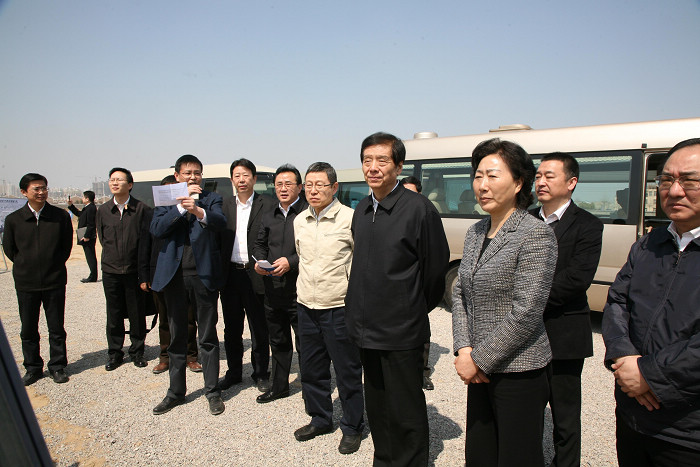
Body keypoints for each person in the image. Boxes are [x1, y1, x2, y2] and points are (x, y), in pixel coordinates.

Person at [345, 132, 449, 466]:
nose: (373, 167)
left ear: (399, 166)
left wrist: (410, 307)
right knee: (377, 406)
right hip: (366, 329)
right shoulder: (362, 209)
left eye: (382, 160)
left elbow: (434, 272)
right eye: (367, 160)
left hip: (402, 330)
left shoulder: (419, 209)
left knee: (405, 409)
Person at [452, 138, 557, 466]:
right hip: (477, 367)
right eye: (477, 176)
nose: (482, 185)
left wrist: (480, 359)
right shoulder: (475, 231)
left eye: (492, 176)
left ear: (519, 183)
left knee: (517, 456)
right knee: (480, 452)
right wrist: (464, 349)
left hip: (518, 369)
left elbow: (527, 311)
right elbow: (459, 292)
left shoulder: (535, 234)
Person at [602, 138, 700, 466]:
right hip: (633, 414)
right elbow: (617, 302)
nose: (674, 191)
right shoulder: (648, 244)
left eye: (690, 181)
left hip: (687, 430)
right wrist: (624, 357)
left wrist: (650, 375)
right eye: (666, 180)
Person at [530, 152, 603, 467]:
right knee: (526, 412)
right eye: (538, 176)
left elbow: (577, 279)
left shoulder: (588, 225)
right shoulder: (522, 220)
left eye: (549, 176)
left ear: (571, 182)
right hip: (524, 336)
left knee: (565, 415)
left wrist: (527, 302)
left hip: (564, 334)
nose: (541, 182)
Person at [293, 162, 365, 454]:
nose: (313, 190)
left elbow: (360, 262)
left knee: (347, 372)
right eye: (308, 185)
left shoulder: (350, 218)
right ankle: (320, 419)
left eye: (320, 185)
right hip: (306, 306)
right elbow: (301, 256)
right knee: (312, 369)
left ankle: (352, 426)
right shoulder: (300, 220)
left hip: (338, 307)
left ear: (334, 187)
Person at [150, 155, 226, 416]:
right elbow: (157, 229)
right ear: (177, 175)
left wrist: (197, 210)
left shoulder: (211, 198)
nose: (193, 177)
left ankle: (212, 391)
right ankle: (175, 392)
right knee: (177, 336)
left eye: (197, 172)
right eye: (187, 173)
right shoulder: (166, 200)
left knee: (207, 336)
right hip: (174, 279)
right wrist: (181, 208)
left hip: (203, 277)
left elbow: (220, 222)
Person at [3, 173, 73, 385]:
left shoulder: (60, 216)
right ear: (24, 192)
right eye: (36, 189)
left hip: (54, 280)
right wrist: (26, 265)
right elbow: (10, 249)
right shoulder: (14, 219)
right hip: (26, 282)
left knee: (56, 327)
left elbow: (66, 247)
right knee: (28, 328)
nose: (42, 192)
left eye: (44, 188)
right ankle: (33, 367)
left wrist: (53, 265)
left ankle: (57, 366)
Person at [252, 164, 308, 404]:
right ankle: (279, 387)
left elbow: (314, 249)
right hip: (273, 289)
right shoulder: (269, 213)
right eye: (279, 185)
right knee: (278, 340)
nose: (283, 189)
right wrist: (259, 261)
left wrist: (291, 262)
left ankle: (312, 388)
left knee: (305, 342)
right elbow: (259, 244)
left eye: (288, 184)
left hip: (300, 290)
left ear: (300, 187)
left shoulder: (308, 212)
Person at [220, 158, 275, 392]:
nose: (241, 180)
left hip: (256, 274)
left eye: (245, 175)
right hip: (231, 275)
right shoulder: (223, 205)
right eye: (237, 176)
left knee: (259, 327)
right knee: (232, 328)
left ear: (254, 178)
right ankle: (233, 372)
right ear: (231, 179)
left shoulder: (268, 204)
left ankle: (261, 373)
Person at [142, 175, 201, 375]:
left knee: (189, 318)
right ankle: (165, 357)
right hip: (160, 273)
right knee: (165, 319)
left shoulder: (188, 212)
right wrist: (145, 275)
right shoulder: (155, 214)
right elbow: (145, 246)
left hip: (184, 273)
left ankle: (191, 356)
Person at [96, 167, 151, 371]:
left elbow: (145, 242)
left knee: (137, 313)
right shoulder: (103, 210)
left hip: (133, 271)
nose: (114, 183)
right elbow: (103, 238)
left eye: (119, 179)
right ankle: (115, 353)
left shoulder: (142, 209)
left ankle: (137, 352)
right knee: (114, 313)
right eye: (112, 179)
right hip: (111, 271)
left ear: (130, 184)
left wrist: (144, 273)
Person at [401, 176, 435, 391]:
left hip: (417, 289)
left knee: (422, 334)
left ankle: (422, 373)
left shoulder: (426, 214)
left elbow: (434, 264)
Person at [67, 190, 98, 283]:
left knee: (90, 256)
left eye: (83, 197)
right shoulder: (87, 208)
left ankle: (93, 276)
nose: (82, 198)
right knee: (89, 256)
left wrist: (87, 236)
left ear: (87, 198)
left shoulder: (91, 208)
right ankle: (92, 275)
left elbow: (91, 224)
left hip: (88, 236)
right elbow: (79, 214)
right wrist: (71, 206)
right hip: (84, 234)